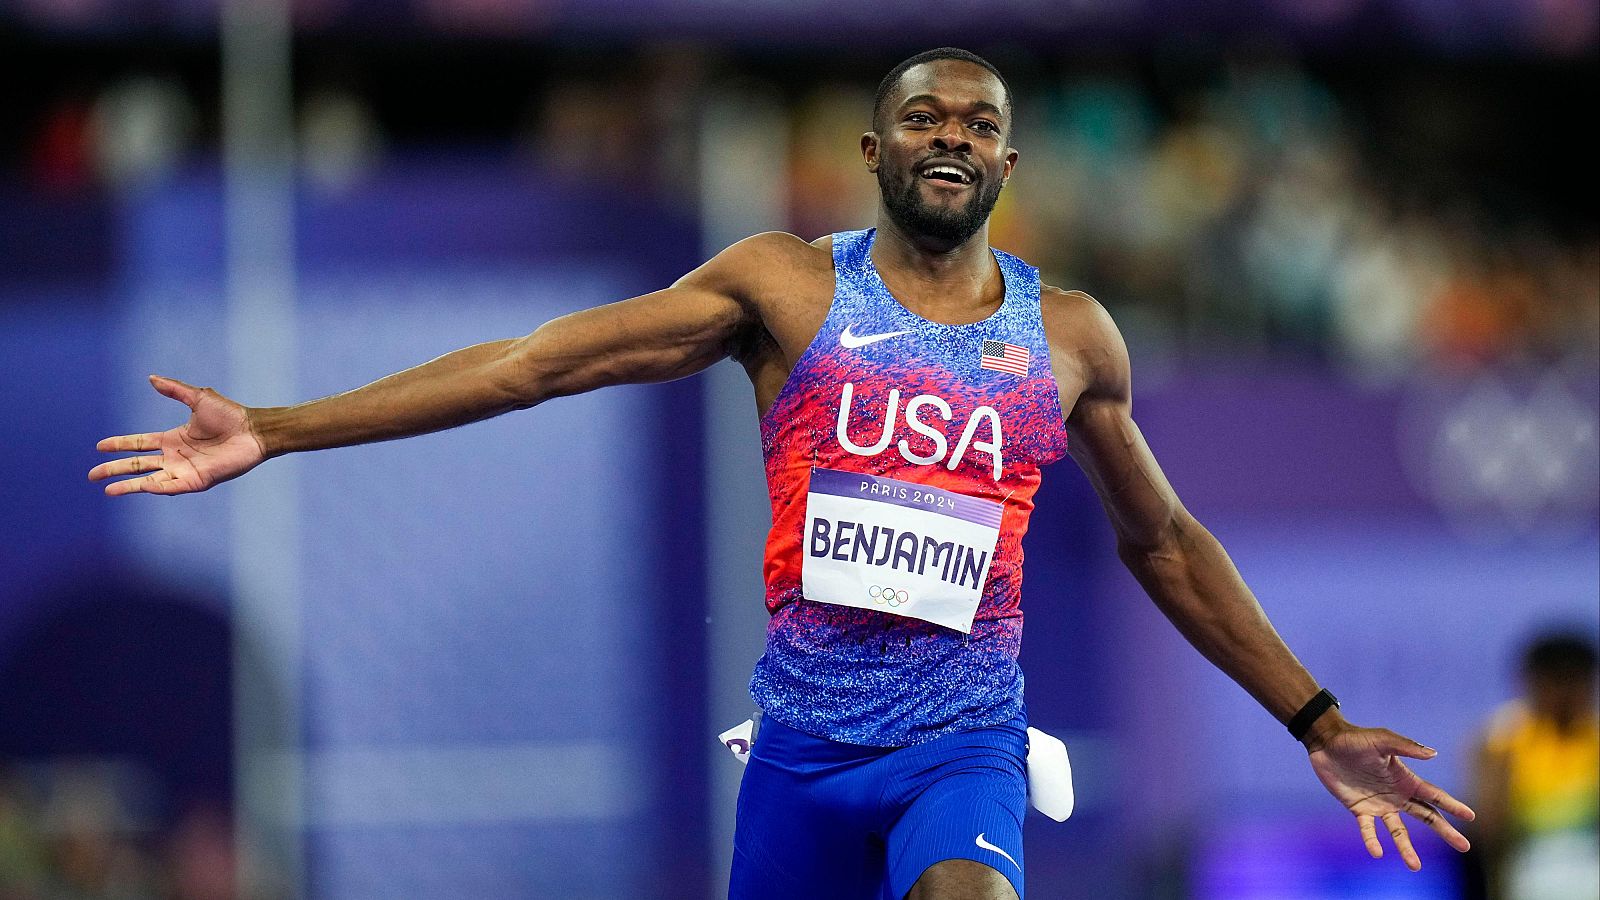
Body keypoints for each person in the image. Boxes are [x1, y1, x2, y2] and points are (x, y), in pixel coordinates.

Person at [90, 47, 1475, 900]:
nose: (951, 135)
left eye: (979, 121)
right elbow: (533, 364)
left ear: (1008, 157)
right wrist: (277, 424)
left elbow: (1164, 542)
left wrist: (1315, 719)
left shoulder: (1067, 340)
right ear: (874, 152)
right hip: (803, 755)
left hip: (964, 741)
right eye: (924, 116)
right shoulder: (785, 290)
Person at [1470, 632, 1598, 900]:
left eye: (1574, 680)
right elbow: (1487, 833)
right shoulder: (1502, 739)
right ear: (1533, 682)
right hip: (1528, 873)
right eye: (1555, 681)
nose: (1565, 693)